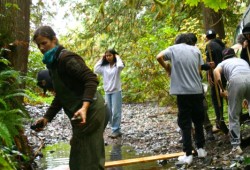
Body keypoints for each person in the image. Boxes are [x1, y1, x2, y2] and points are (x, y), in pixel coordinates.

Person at [32, 26, 108, 170]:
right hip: (80, 116)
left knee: (89, 160)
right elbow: (61, 95)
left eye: (44, 43)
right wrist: (46, 118)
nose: (41, 48)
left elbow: (91, 79)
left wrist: (85, 107)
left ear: (54, 40)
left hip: (91, 111)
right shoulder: (52, 65)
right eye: (38, 45)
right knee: (78, 160)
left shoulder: (66, 58)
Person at [156, 33, 207, 165]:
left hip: (182, 93)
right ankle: (201, 149)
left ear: (177, 42)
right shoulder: (196, 50)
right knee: (198, 119)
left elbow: (159, 57)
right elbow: (199, 71)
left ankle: (188, 154)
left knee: (185, 123)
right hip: (196, 90)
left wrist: (167, 68)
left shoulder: (173, 49)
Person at [214, 48, 250, 155]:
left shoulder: (223, 63)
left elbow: (216, 72)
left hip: (235, 80)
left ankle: (236, 146)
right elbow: (245, 77)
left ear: (224, 57)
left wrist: (221, 89)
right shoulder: (242, 61)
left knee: (233, 115)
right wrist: (245, 97)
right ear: (234, 55)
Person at [187, 33, 215, 141]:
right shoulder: (180, 52)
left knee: (202, 107)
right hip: (185, 86)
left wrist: (208, 65)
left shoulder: (195, 51)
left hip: (196, 84)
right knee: (187, 109)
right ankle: (189, 133)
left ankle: (208, 130)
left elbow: (200, 66)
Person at [94, 49, 124, 138]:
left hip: (116, 91)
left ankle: (116, 130)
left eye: (110, 55)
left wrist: (118, 57)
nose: (108, 57)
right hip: (107, 92)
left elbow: (120, 66)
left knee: (116, 112)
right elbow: (96, 68)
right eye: (107, 56)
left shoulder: (116, 66)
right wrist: (102, 58)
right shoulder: (104, 67)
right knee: (108, 112)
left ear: (114, 56)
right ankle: (114, 129)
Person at [205, 29, 228, 133]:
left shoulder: (209, 46)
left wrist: (209, 74)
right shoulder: (223, 45)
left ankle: (219, 120)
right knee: (224, 94)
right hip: (225, 73)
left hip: (216, 73)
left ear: (207, 37)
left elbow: (210, 62)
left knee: (216, 97)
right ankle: (226, 118)